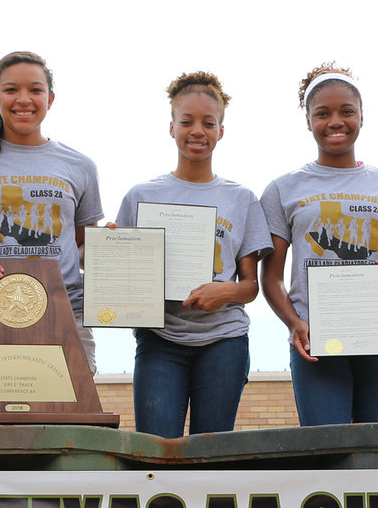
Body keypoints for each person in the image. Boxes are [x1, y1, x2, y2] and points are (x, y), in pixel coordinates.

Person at [260, 64, 378, 426]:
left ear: (362, 116)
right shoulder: (283, 189)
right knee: (326, 451)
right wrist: (294, 324)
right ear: (308, 120)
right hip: (316, 338)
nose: (336, 121)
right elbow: (271, 279)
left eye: (347, 111)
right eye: (323, 113)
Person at [114, 72, 271, 438]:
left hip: (224, 341)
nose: (197, 130)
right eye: (186, 121)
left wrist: (224, 292)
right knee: (155, 447)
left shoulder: (242, 199)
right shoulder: (140, 196)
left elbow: (250, 286)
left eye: (208, 122)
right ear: (171, 127)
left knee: (211, 453)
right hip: (160, 339)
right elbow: (118, 278)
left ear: (221, 131)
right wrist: (111, 249)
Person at [0, 52, 103, 370]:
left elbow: (83, 247)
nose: (23, 99)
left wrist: (112, 250)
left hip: (67, 305)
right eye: (11, 89)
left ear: (50, 98)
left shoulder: (80, 166)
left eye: (36, 90)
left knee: (72, 413)